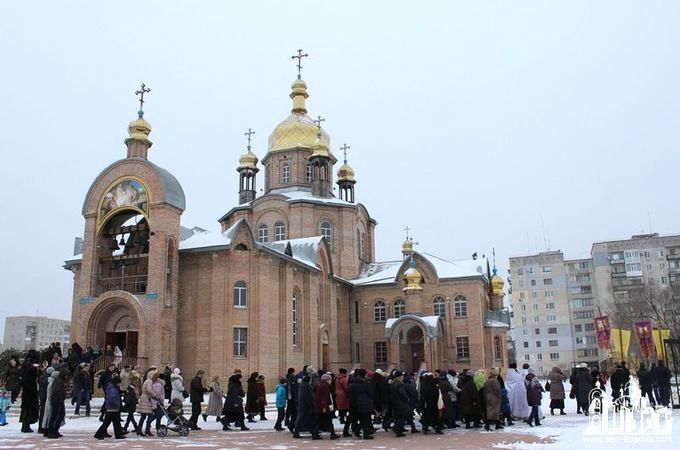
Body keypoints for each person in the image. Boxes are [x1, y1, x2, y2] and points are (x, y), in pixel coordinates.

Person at [94, 375, 125, 440]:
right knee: (108, 422)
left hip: (111, 408)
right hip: (112, 408)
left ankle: (118, 434)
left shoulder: (111, 387)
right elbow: (112, 398)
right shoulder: (113, 388)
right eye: (118, 383)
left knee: (116, 422)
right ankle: (98, 434)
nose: (119, 384)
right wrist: (116, 404)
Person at [19, 351, 40, 433]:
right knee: (29, 408)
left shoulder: (25, 364)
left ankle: (25, 425)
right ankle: (26, 425)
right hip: (30, 389)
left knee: (26, 408)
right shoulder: (31, 364)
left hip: (26, 389)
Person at [314, 373, 339, 439]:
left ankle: (315, 434)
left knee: (319, 421)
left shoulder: (321, 385)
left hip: (319, 407)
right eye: (330, 379)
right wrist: (324, 407)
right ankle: (332, 434)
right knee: (328, 420)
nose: (331, 381)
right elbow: (324, 398)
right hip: (323, 407)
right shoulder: (325, 386)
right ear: (327, 380)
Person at [46, 368, 68, 439]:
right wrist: (61, 396)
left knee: (61, 415)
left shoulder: (61, 381)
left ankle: (55, 430)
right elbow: (56, 391)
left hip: (60, 400)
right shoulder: (58, 381)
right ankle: (51, 431)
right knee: (54, 416)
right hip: (57, 400)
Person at [389, 370, 411, 437]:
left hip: (395, 402)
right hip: (401, 403)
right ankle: (398, 431)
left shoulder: (393, 383)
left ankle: (397, 429)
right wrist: (407, 399)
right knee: (402, 417)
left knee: (398, 417)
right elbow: (403, 394)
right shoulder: (399, 384)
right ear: (400, 376)